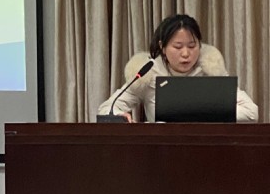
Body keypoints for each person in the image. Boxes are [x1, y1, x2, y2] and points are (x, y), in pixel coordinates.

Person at [97, 14, 258, 122]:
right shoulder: (148, 73)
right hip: (161, 150)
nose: (186, 54)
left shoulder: (210, 70)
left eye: (192, 46)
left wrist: (204, 113)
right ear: (163, 47)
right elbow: (106, 108)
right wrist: (119, 117)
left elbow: (251, 112)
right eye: (178, 47)